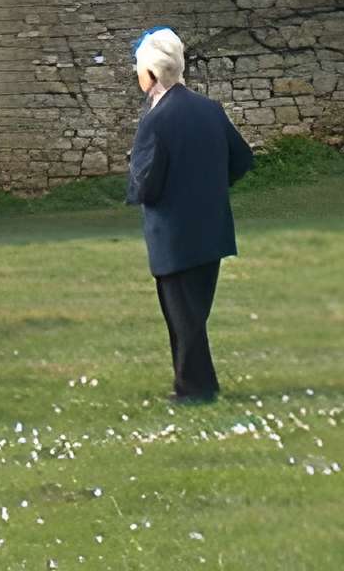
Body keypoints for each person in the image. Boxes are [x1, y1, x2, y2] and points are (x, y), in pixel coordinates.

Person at [126, 27, 254, 404]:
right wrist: (210, 185)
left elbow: (147, 184)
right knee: (193, 315)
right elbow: (242, 159)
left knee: (183, 317)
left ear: (150, 74)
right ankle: (197, 383)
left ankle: (194, 389)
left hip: (173, 233)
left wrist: (134, 173)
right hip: (211, 226)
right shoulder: (209, 109)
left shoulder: (156, 120)